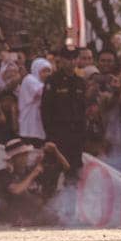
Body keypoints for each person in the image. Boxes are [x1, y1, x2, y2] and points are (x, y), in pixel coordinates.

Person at [0, 138, 70, 226]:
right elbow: (16, 190)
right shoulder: (3, 174)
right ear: (13, 158)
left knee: (63, 218)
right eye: (21, 155)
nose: (25, 157)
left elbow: (65, 167)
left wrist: (55, 151)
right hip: (16, 217)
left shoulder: (31, 170)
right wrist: (33, 174)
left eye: (25, 154)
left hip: (39, 214)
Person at [40, 47, 87, 175]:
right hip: (58, 135)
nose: (71, 62)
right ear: (61, 59)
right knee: (55, 172)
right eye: (67, 58)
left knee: (74, 172)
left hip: (76, 136)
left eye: (74, 58)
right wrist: (50, 136)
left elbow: (83, 110)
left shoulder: (81, 82)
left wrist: (82, 134)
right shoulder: (53, 81)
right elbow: (45, 110)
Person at [18, 58, 51, 146]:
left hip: (40, 128)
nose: (47, 74)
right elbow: (41, 91)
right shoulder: (29, 79)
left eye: (49, 71)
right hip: (29, 127)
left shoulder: (44, 84)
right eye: (44, 71)